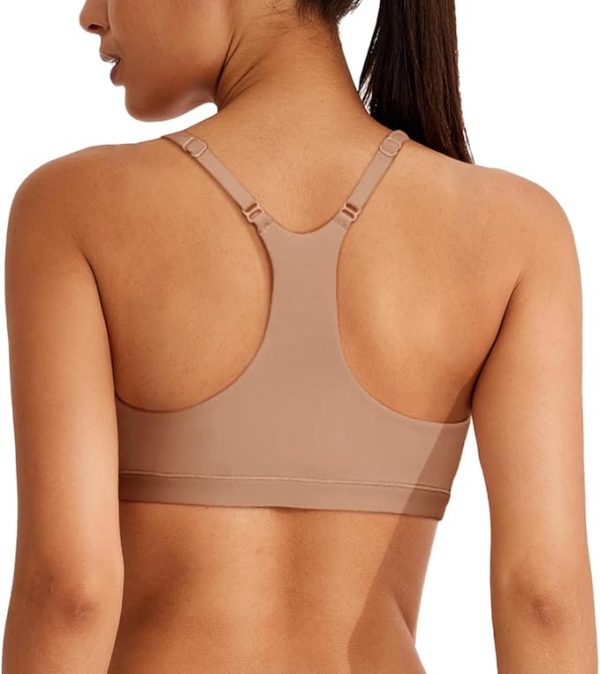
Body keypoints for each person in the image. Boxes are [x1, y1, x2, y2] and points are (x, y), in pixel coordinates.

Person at [2, 0, 596, 671]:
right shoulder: (515, 230)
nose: (90, 14)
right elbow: (543, 600)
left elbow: (69, 593)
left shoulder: (74, 208)